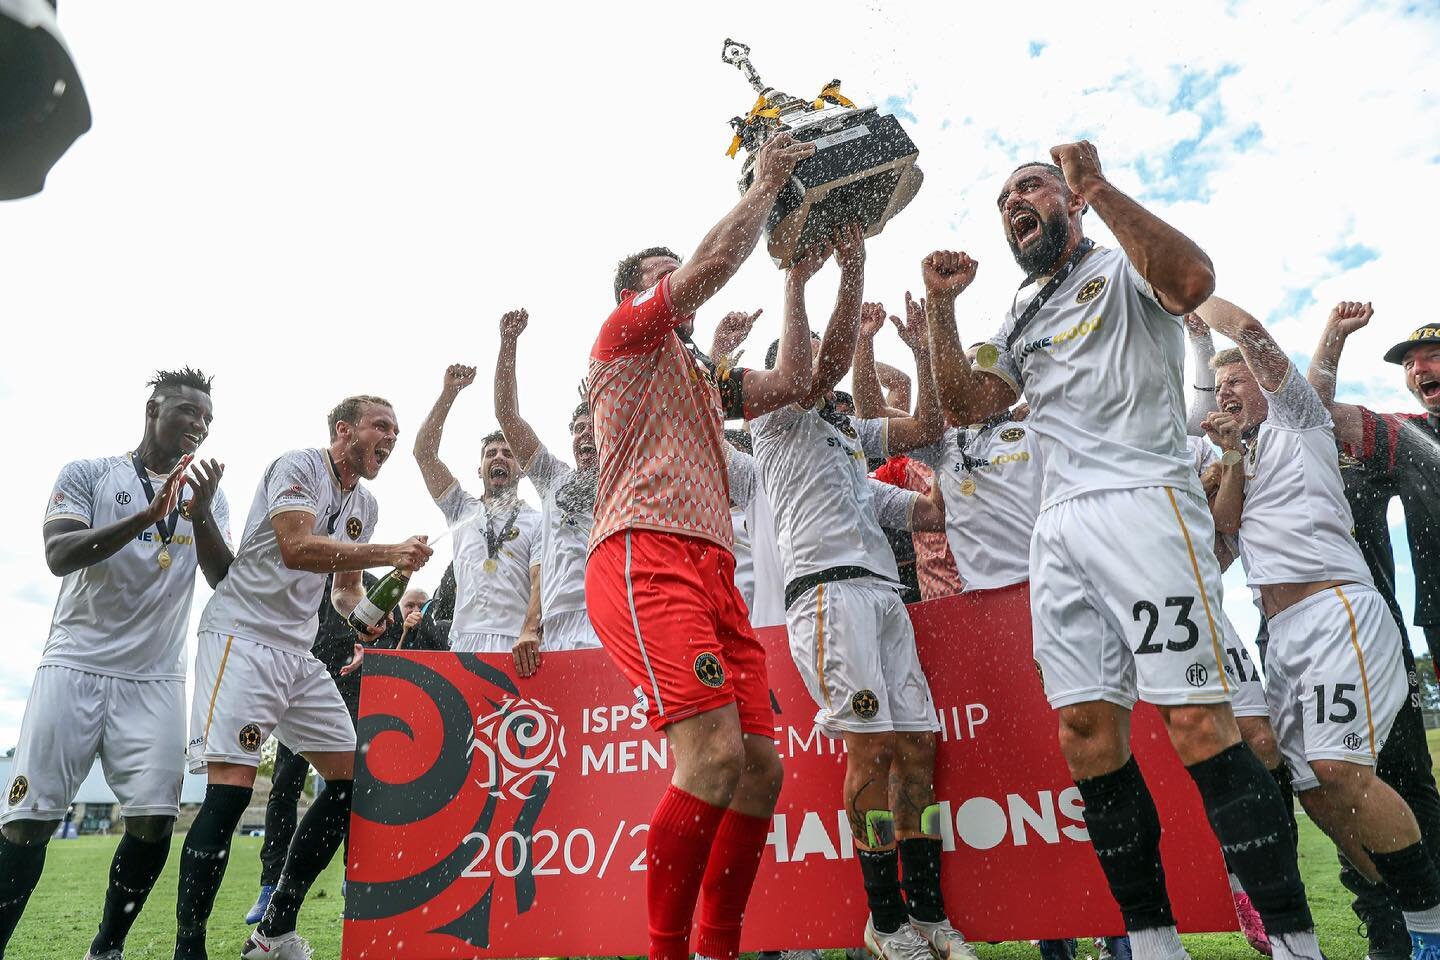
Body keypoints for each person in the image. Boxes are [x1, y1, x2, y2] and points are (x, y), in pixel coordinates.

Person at [921, 141, 1319, 960]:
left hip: (1146, 503)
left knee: (1199, 726)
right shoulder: (1017, 315)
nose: (1012, 204)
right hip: (1058, 528)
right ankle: (1151, 940)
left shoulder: (1122, 264)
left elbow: (1193, 281)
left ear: (1066, 197)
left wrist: (1098, 187)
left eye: (1028, 186)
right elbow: (964, 408)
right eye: (1002, 200)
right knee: (1086, 735)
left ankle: (1292, 939)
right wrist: (940, 310)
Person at [584, 130, 816, 960]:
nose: (677, 281)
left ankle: (718, 949)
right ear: (633, 295)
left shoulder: (699, 373)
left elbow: (796, 385)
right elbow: (710, 270)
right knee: (712, 757)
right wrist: (764, 187)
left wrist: (800, 275)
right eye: (663, 275)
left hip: (712, 568)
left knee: (760, 771)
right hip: (645, 551)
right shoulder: (622, 339)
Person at [753, 226, 976, 960]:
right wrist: (850, 269)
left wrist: (917, 351)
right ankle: (883, 921)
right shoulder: (778, 419)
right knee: (872, 753)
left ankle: (930, 915)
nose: (830, 380)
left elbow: (927, 438)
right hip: (827, 599)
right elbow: (813, 371)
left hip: (884, 598)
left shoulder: (849, 440)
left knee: (917, 749)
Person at [1197, 296, 1440, 956]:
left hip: (1339, 614)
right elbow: (1220, 541)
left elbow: (1248, 332)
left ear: (1269, 385)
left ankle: (1431, 927)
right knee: (1315, 793)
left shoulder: (1299, 420)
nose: (1225, 390)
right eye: (1218, 386)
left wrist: (1184, 294)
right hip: (1284, 637)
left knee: (1339, 767)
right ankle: (1394, 910)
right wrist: (1230, 459)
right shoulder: (1235, 459)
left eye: (1236, 379)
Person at [174, 395, 433, 960]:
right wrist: (391, 553)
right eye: (380, 427)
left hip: (298, 651)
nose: (389, 439)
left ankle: (273, 932)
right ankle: (188, 947)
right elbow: (296, 549)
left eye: (395, 431)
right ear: (344, 430)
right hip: (241, 636)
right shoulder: (297, 465)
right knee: (229, 793)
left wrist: (364, 616)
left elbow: (343, 589)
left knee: (352, 781)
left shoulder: (365, 501)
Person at [0, 368, 230, 960]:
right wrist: (146, 518)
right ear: (153, 409)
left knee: (155, 820)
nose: (198, 425)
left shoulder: (211, 495)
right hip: (73, 664)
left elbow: (225, 581)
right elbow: (59, 554)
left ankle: (106, 948)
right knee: (27, 821)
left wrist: (199, 512)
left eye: (206, 417)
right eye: (187, 412)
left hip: (154, 678)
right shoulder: (88, 474)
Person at [1306, 303, 1440, 960]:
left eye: (1433, 356)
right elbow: (1311, 413)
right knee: (1384, 779)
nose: (1419, 369)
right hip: (1428, 629)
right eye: (1411, 365)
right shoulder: (1409, 436)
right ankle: (1407, 928)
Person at [244, 574, 445, 924]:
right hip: (298, 687)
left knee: (354, 787)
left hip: (349, 695)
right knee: (284, 785)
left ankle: (354, 878)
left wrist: (369, 647)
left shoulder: (366, 581)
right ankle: (269, 883)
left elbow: (384, 634)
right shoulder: (299, 577)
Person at [493, 310, 602, 676]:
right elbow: (508, 416)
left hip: (617, 617)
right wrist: (509, 344)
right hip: (558, 625)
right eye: (577, 427)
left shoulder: (627, 471)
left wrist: (608, 394)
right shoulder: (553, 477)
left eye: (594, 427)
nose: (584, 434)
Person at [414, 370, 543, 659]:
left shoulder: (536, 520)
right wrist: (448, 394)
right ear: (480, 468)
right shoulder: (461, 508)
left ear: (521, 469)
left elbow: (539, 581)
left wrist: (530, 630)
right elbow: (424, 454)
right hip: (465, 643)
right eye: (491, 453)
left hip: (515, 642)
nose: (498, 457)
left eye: (508, 453)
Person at [856, 299, 964, 601]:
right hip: (944, 596)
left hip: (1011, 579)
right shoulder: (940, 440)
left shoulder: (1017, 432)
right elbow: (873, 413)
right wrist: (863, 341)